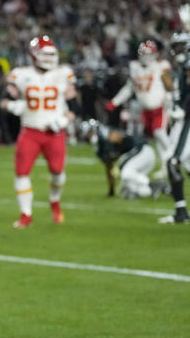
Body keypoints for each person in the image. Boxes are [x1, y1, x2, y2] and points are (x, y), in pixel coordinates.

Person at [0, 35, 80, 228]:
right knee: (21, 172)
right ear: (34, 55)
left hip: (54, 132)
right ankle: (25, 214)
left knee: (58, 172)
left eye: (52, 54)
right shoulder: (21, 75)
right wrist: (12, 107)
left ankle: (55, 201)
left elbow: (75, 106)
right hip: (30, 131)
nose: (50, 58)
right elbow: (3, 101)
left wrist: (63, 120)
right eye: (46, 54)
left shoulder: (63, 74)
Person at [105, 40, 175, 178]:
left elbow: (170, 86)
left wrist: (170, 101)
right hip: (145, 110)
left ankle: (173, 159)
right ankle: (165, 165)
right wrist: (115, 102)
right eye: (143, 53)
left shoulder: (160, 66)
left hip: (159, 107)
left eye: (148, 54)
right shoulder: (135, 67)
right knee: (154, 137)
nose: (145, 57)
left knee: (160, 134)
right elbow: (129, 88)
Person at [79, 119, 161, 199]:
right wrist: (111, 190)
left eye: (89, 133)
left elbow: (123, 142)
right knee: (131, 190)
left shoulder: (110, 134)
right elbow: (109, 166)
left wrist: (117, 162)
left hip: (143, 151)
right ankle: (160, 188)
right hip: (138, 155)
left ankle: (153, 184)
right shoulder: (101, 146)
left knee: (126, 173)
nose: (88, 137)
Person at [159, 27, 190, 224]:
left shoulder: (187, 65)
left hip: (186, 120)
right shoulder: (179, 68)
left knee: (172, 161)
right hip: (182, 119)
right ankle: (181, 212)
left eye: (179, 47)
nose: (176, 51)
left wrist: (184, 110)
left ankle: (180, 212)